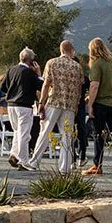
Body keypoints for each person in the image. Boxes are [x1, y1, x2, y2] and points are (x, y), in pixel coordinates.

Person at [26, 40, 85, 172]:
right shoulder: (77, 67)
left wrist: (41, 102)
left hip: (54, 101)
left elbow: (46, 84)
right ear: (71, 51)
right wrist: (76, 105)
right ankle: (65, 167)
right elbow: (79, 89)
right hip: (70, 105)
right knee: (67, 136)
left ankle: (34, 162)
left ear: (61, 50)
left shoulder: (52, 63)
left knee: (45, 131)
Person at [84, 38, 112, 177]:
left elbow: (94, 85)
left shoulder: (97, 64)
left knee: (98, 134)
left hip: (101, 103)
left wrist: (90, 104)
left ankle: (97, 165)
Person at [0, 48, 44, 170]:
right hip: (24, 105)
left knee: (17, 131)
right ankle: (23, 161)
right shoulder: (30, 73)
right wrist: (39, 74)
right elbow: (41, 86)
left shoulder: (11, 70)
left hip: (11, 105)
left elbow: (3, 88)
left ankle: (14, 154)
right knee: (24, 134)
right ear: (31, 61)